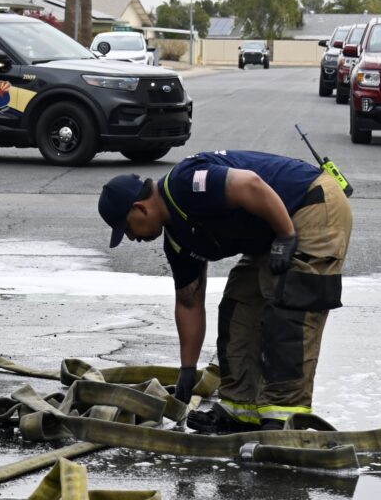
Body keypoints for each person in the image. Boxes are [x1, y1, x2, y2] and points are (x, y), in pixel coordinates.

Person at [98, 150, 352, 433]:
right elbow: (189, 302)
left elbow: (249, 184)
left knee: (290, 307)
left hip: (311, 203)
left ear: (140, 208)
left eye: (127, 228)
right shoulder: (178, 241)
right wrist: (187, 370)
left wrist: (285, 235)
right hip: (274, 228)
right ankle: (239, 409)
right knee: (238, 305)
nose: (132, 237)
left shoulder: (185, 182)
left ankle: (283, 416)